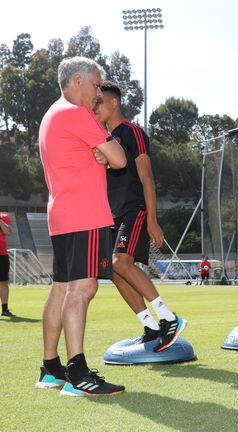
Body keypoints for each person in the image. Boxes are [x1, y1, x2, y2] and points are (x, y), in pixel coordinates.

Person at [37, 57, 127, 396]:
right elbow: (119, 159)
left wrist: (99, 151)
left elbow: (102, 156)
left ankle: (50, 368)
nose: (98, 94)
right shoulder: (78, 114)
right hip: (85, 215)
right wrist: (104, 148)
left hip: (61, 214)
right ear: (77, 81)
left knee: (61, 288)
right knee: (83, 289)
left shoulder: (52, 115)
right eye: (95, 85)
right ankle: (77, 373)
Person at [94, 81, 187, 351]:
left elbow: (147, 178)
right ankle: (149, 324)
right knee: (113, 270)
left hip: (133, 210)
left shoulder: (133, 132)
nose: (96, 106)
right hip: (110, 215)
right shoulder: (101, 137)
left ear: (114, 104)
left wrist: (152, 219)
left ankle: (169, 318)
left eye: (100, 102)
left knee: (121, 262)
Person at [0, 211, 14, 317]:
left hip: (2, 255)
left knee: (3, 282)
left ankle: (5, 309)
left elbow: (8, 232)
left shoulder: (4, 216)